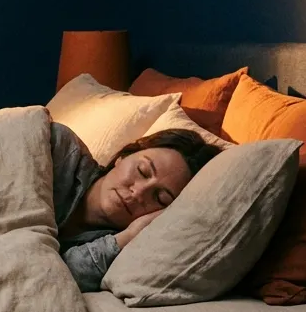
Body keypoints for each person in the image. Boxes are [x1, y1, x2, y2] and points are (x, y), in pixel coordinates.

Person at [50, 124, 222, 292]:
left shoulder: (121, 252)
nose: (138, 192)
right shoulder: (59, 148)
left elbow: (51, 278)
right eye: (142, 171)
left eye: (160, 198)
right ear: (123, 156)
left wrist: (128, 237)